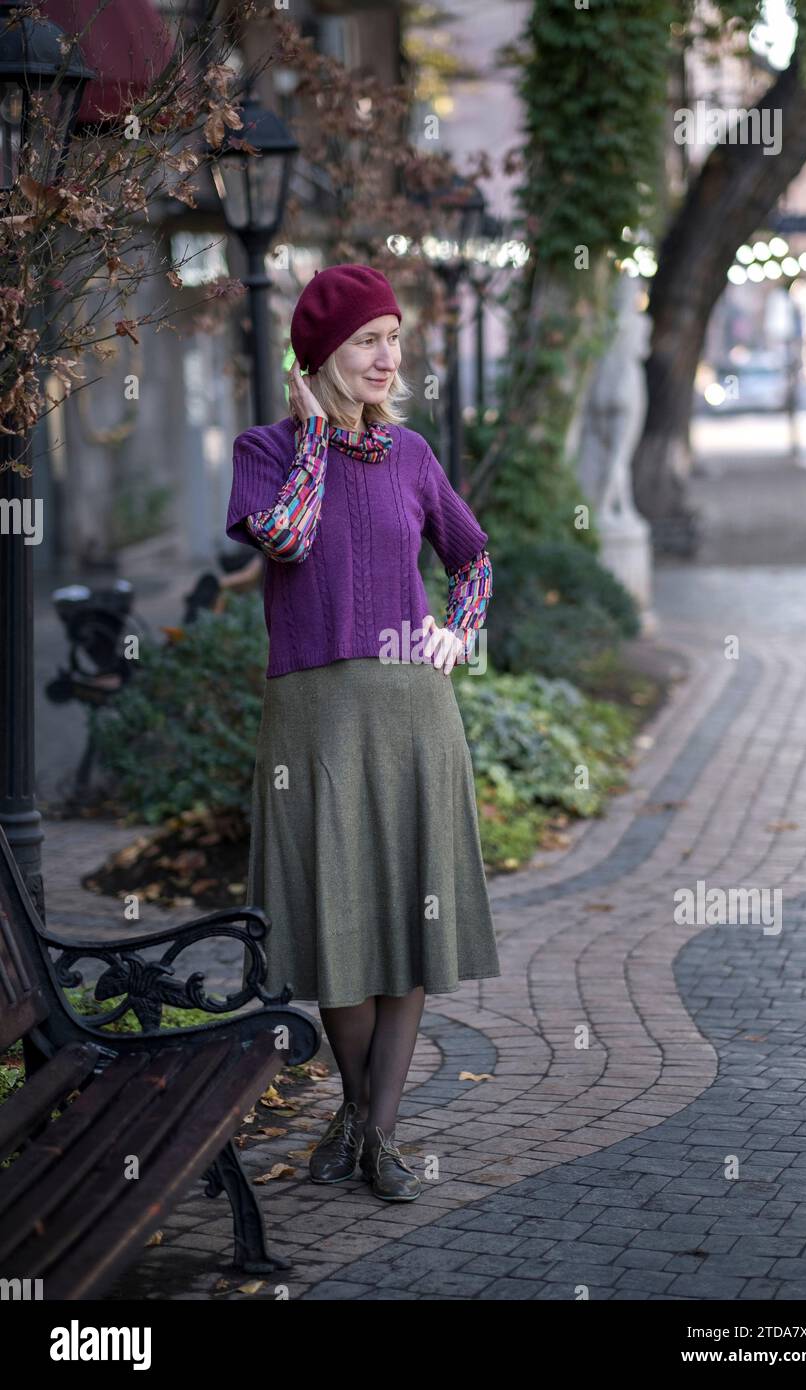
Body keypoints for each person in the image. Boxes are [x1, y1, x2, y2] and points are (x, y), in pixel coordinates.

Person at [225, 263, 501, 1202]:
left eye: (393, 338)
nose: (390, 358)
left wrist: (457, 632)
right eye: (368, 343)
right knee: (341, 923)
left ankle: (377, 1133)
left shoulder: (415, 456)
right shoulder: (264, 450)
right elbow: (290, 539)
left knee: (406, 915)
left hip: (415, 713)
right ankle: (357, 1110)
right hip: (315, 722)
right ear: (319, 357)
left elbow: (473, 557)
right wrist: (312, 434)